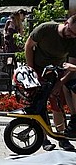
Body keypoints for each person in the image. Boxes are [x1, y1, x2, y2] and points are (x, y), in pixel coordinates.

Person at [25, 15, 76, 151]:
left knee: (57, 104)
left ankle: (62, 137)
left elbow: (71, 66)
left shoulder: (73, 40)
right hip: (37, 68)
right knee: (39, 105)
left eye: (74, 34)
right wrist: (31, 70)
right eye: (70, 31)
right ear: (66, 23)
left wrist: (60, 83)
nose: (71, 35)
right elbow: (29, 46)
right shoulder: (45, 29)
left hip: (56, 71)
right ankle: (43, 138)